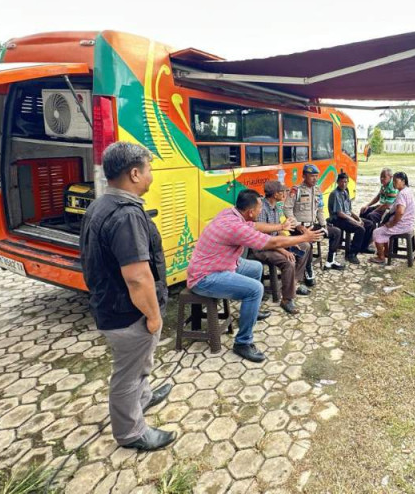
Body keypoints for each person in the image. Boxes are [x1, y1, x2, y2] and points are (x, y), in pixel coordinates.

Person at [79, 142, 174, 451]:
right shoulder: (126, 215)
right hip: (127, 312)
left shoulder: (101, 204)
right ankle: (131, 432)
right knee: (127, 374)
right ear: (135, 173)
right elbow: (136, 277)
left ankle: (143, 398)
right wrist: (154, 315)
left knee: (138, 365)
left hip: (111, 304)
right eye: (149, 171)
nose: (151, 177)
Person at [188, 189, 323, 362]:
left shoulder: (231, 213)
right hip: (205, 277)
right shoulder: (235, 227)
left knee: (255, 268)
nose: (260, 212)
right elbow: (272, 242)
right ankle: (242, 342)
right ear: (250, 212)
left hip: (221, 264)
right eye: (259, 209)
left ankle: (252, 310)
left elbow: (256, 226)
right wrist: (304, 238)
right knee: (255, 289)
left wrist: (280, 227)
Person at [250, 180, 312, 315]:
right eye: (282, 191)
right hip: (263, 247)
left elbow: (278, 230)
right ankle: (287, 299)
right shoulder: (262, 209)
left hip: (275, 242)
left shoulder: (276, 206)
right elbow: (263, 237)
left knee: (305, 246)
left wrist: (290, 241)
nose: (285, 193)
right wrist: (283, 249)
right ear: (275, 194)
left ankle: (293, 283)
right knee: (288, 261)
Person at [285, 164, 344, 271]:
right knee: (308, 244)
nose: (315, 178)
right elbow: (287, 209)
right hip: (300, 228)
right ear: (304, 176)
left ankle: (330, 260)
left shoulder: (317, 190)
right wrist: (297, 225)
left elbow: (320, 209)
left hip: (312, 226)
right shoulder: (296, 190)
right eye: (312, 176)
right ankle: (308, 269)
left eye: (316, 176)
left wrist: (323, 225)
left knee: (336, 232)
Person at [370, 172, 415, 264]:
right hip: (409, 223)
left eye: (396, 181)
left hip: (402, 225)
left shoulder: (402, 194)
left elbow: (400, 212)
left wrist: (392, 223)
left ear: (403, 181)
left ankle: (381, 257)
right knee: (383, 226)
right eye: (393, 181)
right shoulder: (407, 190)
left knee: (376, 232)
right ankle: (386, 251)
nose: (394, 183)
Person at [329, 172, 375, 264]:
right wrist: (355, 221)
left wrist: (358, 218)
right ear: (337, 182)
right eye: (341, 182)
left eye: (346, 182)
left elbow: (349, 210)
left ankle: (363, 247)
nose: (344, 184)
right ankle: (351, 253)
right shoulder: (335, 194)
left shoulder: (345, 192)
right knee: (360, 229)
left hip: (347, 217)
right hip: (338, 219)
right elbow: (340, 213)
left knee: (370, 224)